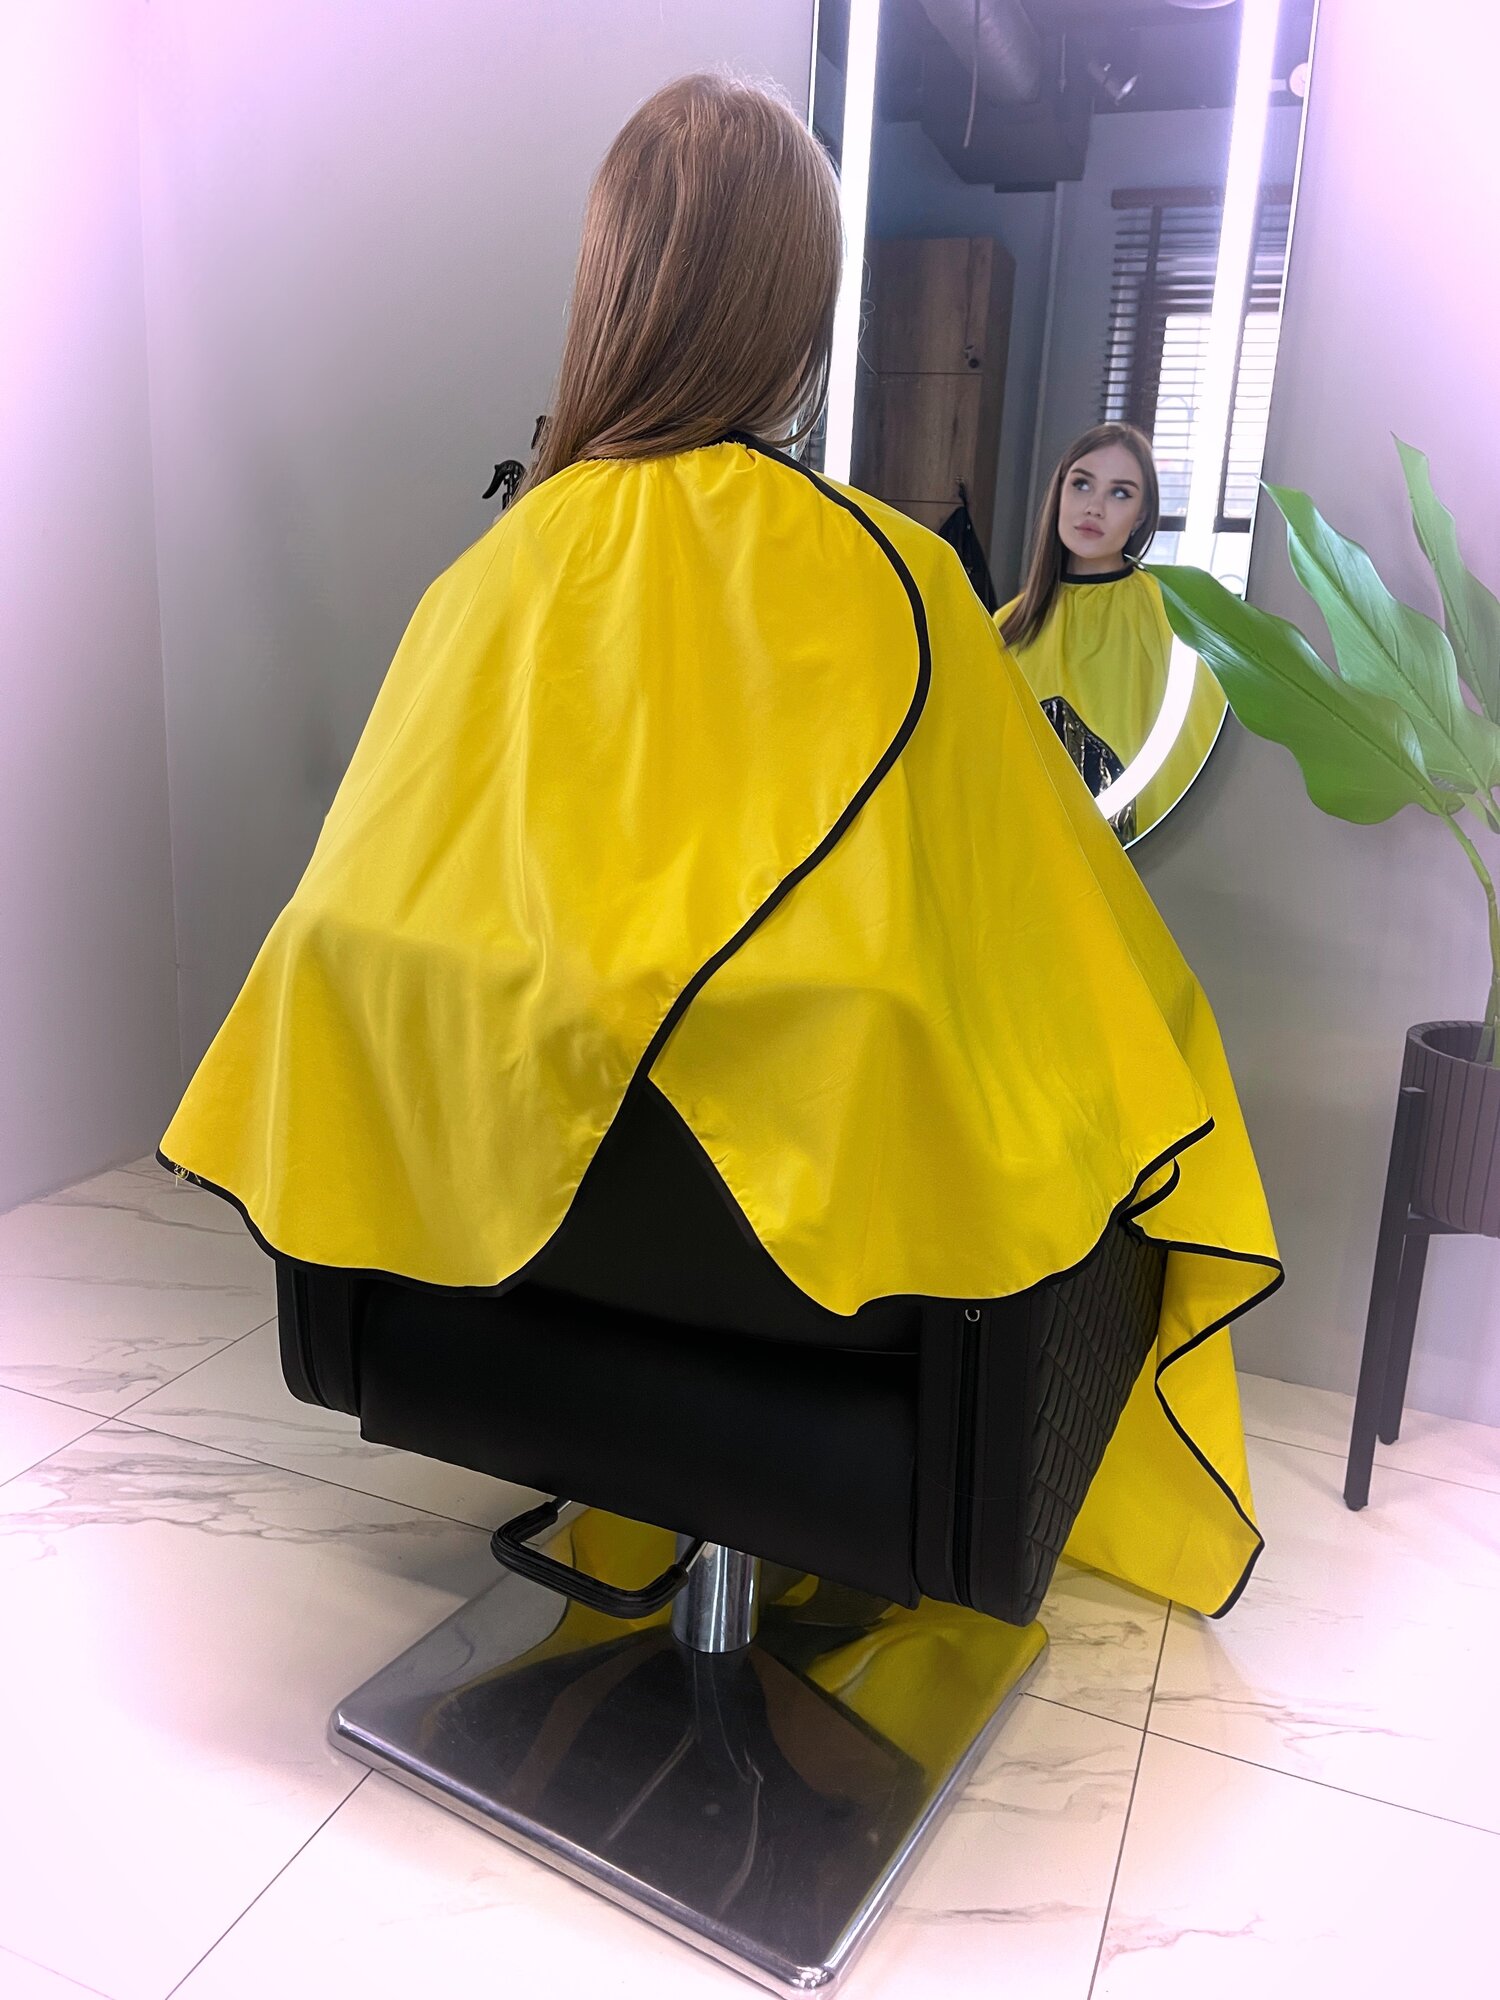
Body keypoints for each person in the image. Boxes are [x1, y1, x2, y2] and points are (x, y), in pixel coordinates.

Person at [158, 75, 1279, 1618]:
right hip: (832, 1283)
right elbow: (1078, 983)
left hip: (498, 1240)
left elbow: (357, 923)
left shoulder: (485, 582)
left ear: (609, 285)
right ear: (801, 314)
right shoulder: (901, 587)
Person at [999, 422, 1227, 837]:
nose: (1094, 507)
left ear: (1141, 515)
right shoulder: (1006, 626)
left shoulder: (1174, 619)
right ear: (1059, 491)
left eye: (1120, 493)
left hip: (1138, 855)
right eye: (1082, 484)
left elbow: (1200, 756)